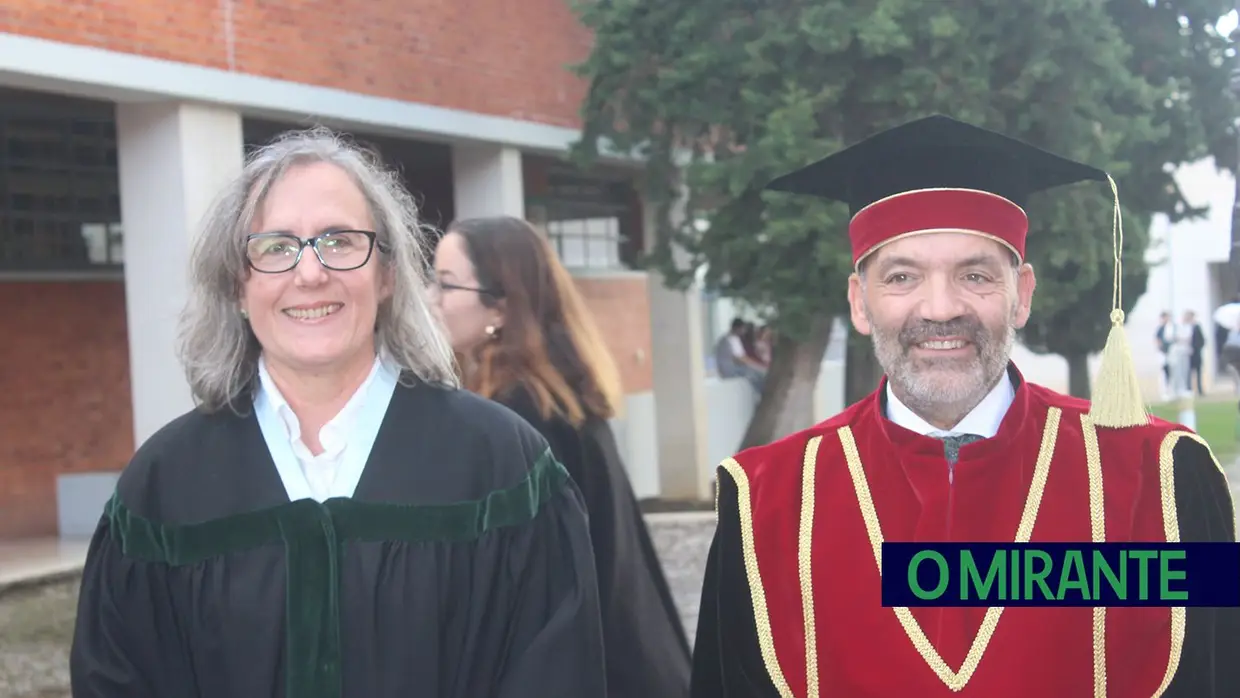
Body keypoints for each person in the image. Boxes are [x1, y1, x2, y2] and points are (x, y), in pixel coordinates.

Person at [690, 115, 1238, 697]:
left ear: (1022, 294)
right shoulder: (768, 504)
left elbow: (1218, 671)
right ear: (859, 301)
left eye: (975, 275)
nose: (941, 308)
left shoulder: (1158, 480)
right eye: (902, 277)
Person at [69, 129, 606, 698]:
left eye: (339, 241)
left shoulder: (500, 468)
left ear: (388, 274)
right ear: (236, 284)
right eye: (275, 247)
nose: (310, 273)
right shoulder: (164, 488)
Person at [432, 215, 692, 698]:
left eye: (446, 285)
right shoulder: (557, 398)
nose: (432, 301)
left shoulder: (522, 417)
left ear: (501, 304)